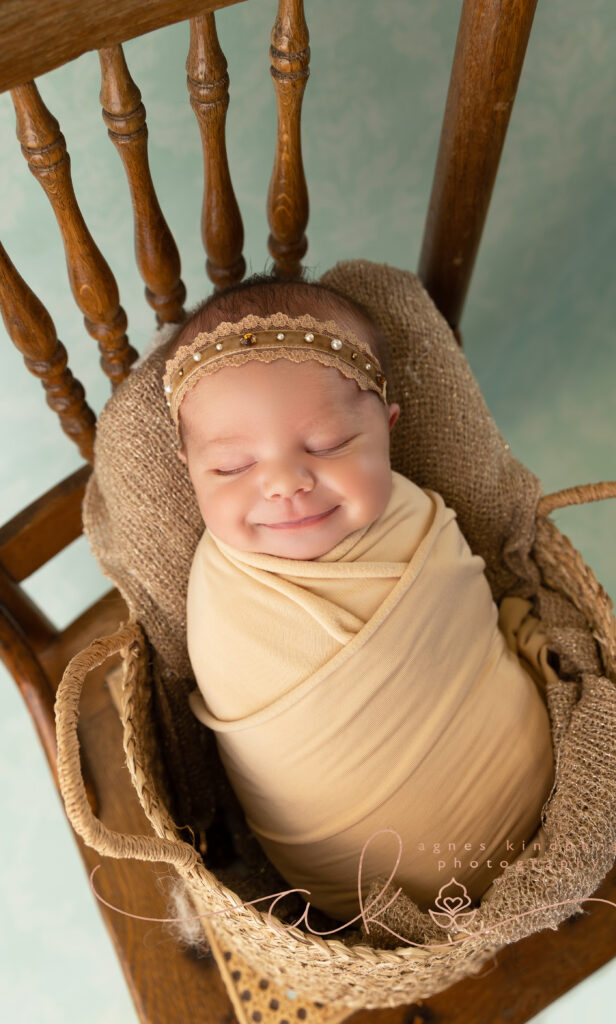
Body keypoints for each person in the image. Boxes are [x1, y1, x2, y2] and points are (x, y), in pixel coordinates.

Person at [162, 273, 557, 922]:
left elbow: (465, 620)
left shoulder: (419, 519)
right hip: (353, 882)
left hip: (535, 791)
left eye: (327, 444)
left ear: (387, 429)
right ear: (188, 469)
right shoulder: (223, 593)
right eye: (232, 466)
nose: (285, 483)